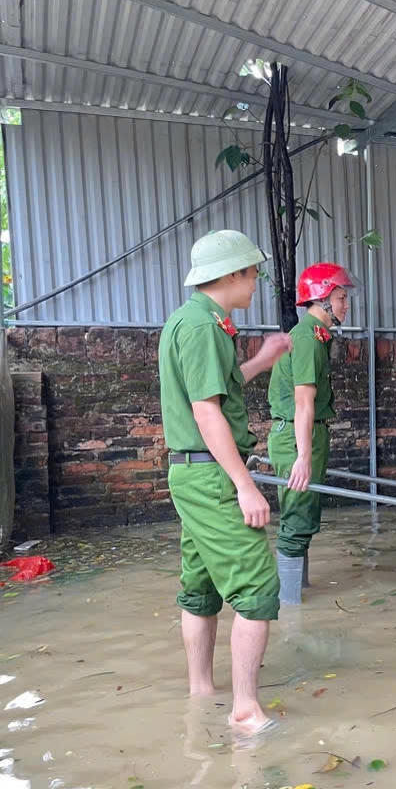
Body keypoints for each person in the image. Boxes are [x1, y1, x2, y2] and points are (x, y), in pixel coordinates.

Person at [158, 229, 291, 736]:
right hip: (212, 476)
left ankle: (201, 693)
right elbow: (207, 411)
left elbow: (219, 386)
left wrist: (262, 358)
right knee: (257, 588)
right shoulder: (204, 328)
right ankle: (245, 711)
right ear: (231, 274)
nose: (255, 282)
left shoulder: (190, 320)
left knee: (200, 584)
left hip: (192, 473)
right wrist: (245, 484)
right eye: (252, 273)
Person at [267, 262, 353, 606]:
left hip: (307, 436)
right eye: (341, 297)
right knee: (297, 518)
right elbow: (304, 403)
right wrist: (303, 457)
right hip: (297, 437)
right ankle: (289, 611)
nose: (346, 305)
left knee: (304, 516)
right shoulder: (307, 339)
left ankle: (299, 595)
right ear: (322, 300)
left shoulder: (314, 336)